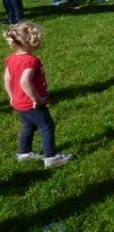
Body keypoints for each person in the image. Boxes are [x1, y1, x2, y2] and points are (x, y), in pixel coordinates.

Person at [4, 22, 73, 168]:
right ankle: (51, 157)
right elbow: (25, 82)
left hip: (18, 102)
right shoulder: (31, 60)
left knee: (29, 125)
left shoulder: (11, 58)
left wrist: (11, 96)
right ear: (31, 41)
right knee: (47, 126)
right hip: (31, 103)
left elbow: (7, 78)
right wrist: (37, 99)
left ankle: (24, 154)